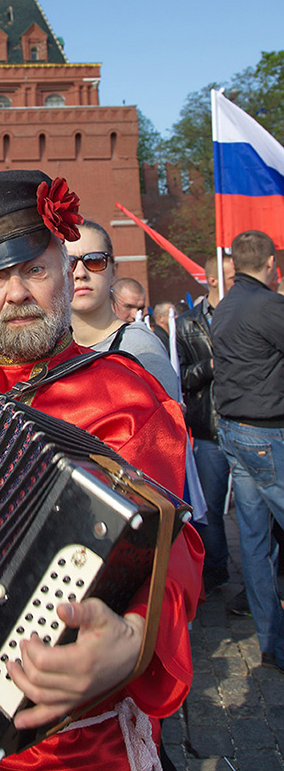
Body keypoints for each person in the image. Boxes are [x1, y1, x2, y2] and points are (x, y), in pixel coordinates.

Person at [0, 169, 202, 771]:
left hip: (72, 746)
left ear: (67, 273)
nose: (15, 293)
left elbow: (174, 548)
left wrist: (131, 639)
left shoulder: (129, 399)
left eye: (34, 269)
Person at [212, 230, 284, 672]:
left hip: (234, 432)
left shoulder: (225, 307)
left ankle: (272, 641)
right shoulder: (268, 305)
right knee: (257, 544)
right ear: (271, 262)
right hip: (265, 435)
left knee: (255, 545)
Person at [176, 254, 235, 592]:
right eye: (230, 275)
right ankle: (216, 570)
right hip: (209, 430)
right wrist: (210, 365)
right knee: (210, 509)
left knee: (253, 510)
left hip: (246, 423)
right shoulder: (187, 324)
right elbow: (181, 377)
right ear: (213, 280)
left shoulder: (247, 317)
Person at [68, 221, 180, 399]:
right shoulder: (51, 348)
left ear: (113, 272)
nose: (80, 273)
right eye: (68, 263)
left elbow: (167, 422)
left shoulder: (139, 346)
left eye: (95, 261)